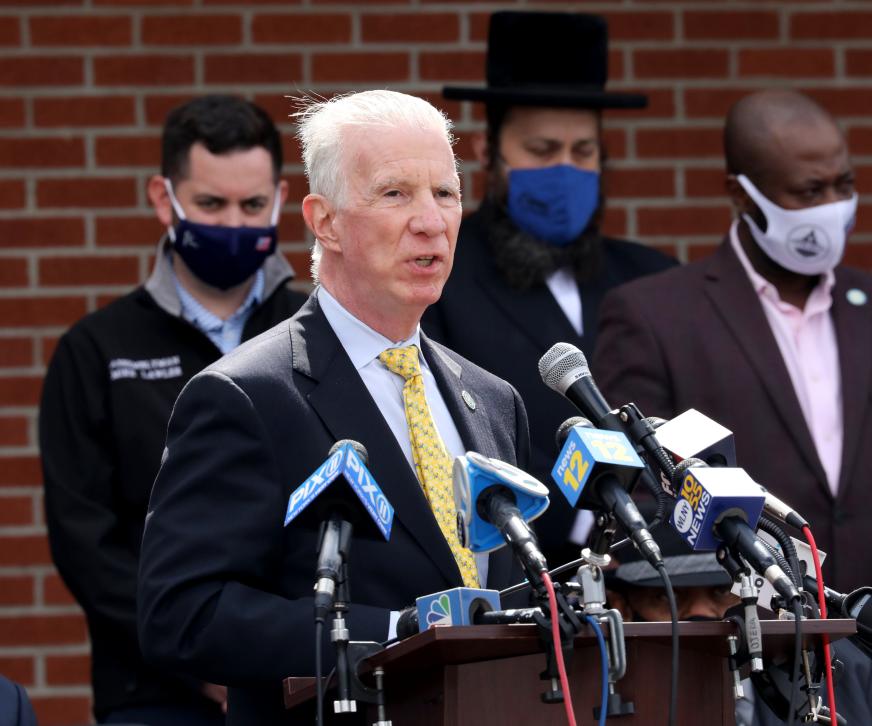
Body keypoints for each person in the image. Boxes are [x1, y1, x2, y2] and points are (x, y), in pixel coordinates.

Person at [136, 90, 530, 725]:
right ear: (324, 221)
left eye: (447, 194)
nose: (431, 221)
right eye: (395, 194)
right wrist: (394, 632)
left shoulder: (492, 400)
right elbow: (182, 614)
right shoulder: (248, 395)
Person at [593, 89, 872, 725]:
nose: (829, 207)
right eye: (806, 191)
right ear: (741, 194)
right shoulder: (655, 318)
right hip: (743, 678)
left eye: (842, 184)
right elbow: (646, 506)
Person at [39, 95, 306, 725]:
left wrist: (280, 648)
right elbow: (85, 540)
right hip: (154, 693)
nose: (235, 224)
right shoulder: (97, 351)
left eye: (252, 205)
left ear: (280, 199)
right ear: (165, 199)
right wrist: (196, 653)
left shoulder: (317, 335)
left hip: (303, 680)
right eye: (211, 205)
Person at [423, 10, 676, 566]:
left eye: (582, 152)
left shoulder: (655, 278)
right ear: (490, 154)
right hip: (529, 577)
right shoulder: (440, 279)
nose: (565, 169)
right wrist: (591, 510)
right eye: (541, 151)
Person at [605, 533, 872, 726]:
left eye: (721, 593)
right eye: (668, 598)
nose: (701, 616)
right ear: (623, 608)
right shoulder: (599, 689)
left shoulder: (849, 666)